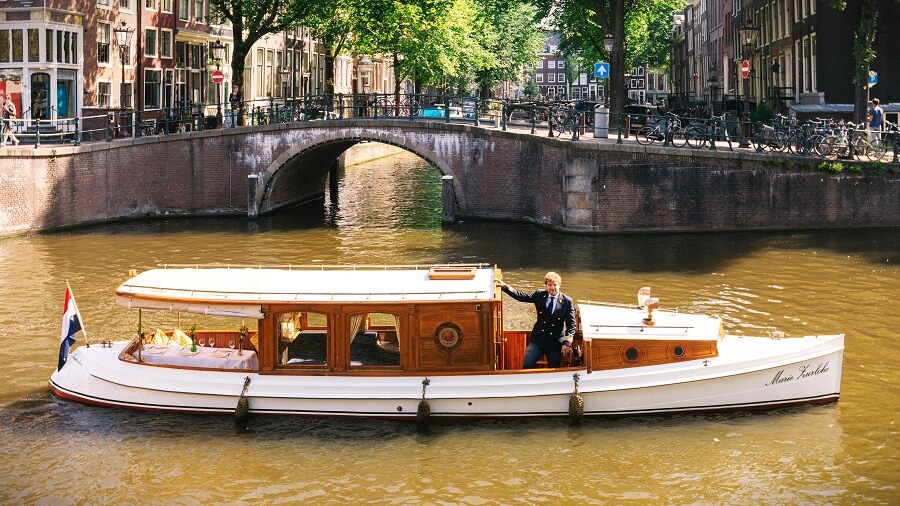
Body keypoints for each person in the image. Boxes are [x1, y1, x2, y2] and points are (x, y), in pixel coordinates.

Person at [497, 272, 576, 369]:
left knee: (554, 369)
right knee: (527, 364)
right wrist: (505, 287)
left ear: (559, 285)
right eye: (549, 285)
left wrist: (566, 343)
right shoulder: (539, 295)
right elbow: (522, 296)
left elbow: (571, 324)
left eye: (555, 285)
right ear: (546, 286)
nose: (552, 288)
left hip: (555, 342)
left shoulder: (567, 301)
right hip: (538, 340)